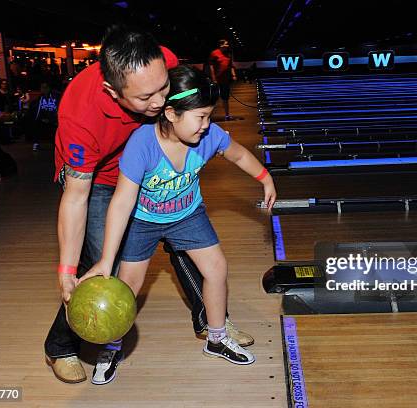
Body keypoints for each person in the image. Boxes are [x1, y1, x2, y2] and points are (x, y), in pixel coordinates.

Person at [44, 25, 254, 385]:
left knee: (185, 235)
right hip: (96, 181)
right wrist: (65, 271)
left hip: (148, 168)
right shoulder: (80, 117)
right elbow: (76, 197)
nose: (159, 103)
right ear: (113, 91)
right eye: (145, 98)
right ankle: (61, 345)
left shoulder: (162, 64)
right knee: (103, 266)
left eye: (163, 89)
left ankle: (212, 322)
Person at [79, 65, 276, 384]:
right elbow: (122, 202)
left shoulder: (209, 136)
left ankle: (216, 337)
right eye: (200, 117)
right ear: (170, 113)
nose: (206, 125)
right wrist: (105, 259)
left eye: (209, 116)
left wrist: (265, 178)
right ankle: (111, 347)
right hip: (143, 220)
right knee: (127, 286)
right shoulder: (141, 145)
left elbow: (238, 155)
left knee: (216, 269)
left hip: (187, 214)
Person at [208, 39, 236, 120]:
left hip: (225, 80)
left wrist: (233, 75)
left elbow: (230, 66)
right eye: (226, 44)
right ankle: (209, 117)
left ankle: (227, 115)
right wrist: (213, 78)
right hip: (216, 80)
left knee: (226, 98)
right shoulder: (214, 53)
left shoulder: (228, 54)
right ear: (221, 45)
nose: (228, 45)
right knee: (214, 99)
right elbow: (211, 66)